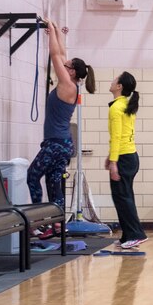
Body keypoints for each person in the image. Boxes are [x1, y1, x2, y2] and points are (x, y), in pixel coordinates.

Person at [27, 20, 95, 239]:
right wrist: (55, 32)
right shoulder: (71, 84)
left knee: (32, 177)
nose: (63, 65)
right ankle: (57, 225)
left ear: (72, 72)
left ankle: (36, 224)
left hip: (56, 144)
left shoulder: (67, 85)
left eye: (67, 66)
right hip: (62, 145)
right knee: (53, 184)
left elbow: (56, 55)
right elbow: (62, 54)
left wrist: (53, 31)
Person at [107, 71, 148, 249]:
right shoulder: (125, 104)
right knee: (124, 197)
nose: (112, 80)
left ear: (119, 86)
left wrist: (114, 162)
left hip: (124, 158)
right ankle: (127, 236)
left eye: (114, 79)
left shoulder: (117, 107)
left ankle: (137, 234)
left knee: (123, 198)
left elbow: (117, 137)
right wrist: (110, 156)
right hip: (130, 157)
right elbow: (121, 135)